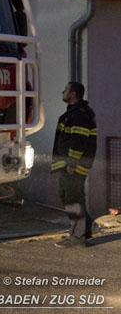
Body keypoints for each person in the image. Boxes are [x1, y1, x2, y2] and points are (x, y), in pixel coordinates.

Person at [51, 82, 97, 247]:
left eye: (66, 90)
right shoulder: (74, 113)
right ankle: (88, 226)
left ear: (73, 94)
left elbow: (78, 142)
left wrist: (72, 164)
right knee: (70, 196)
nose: (62, 91)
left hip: (74, 167)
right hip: (70, 166)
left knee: (72, 199)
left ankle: (77, 237)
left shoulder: (79, 114)